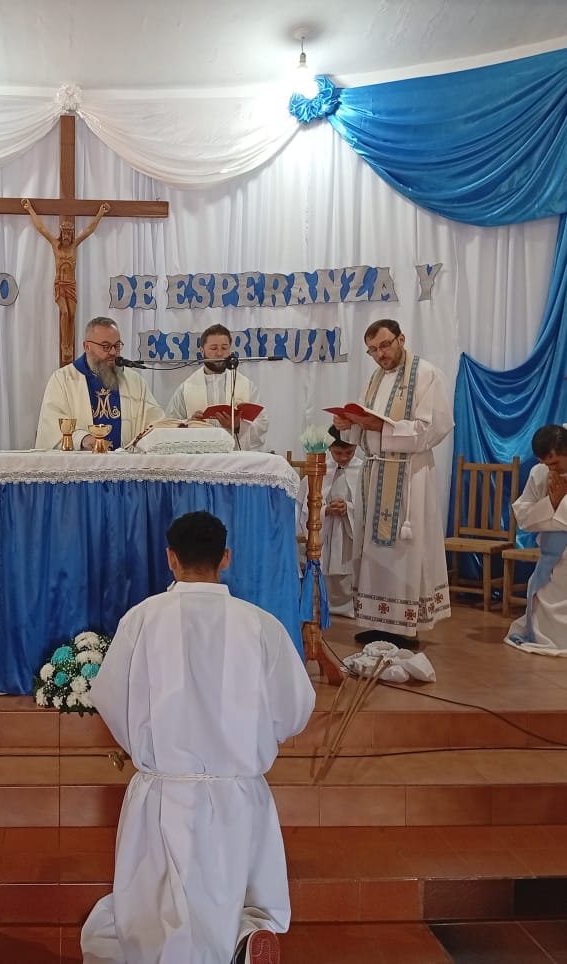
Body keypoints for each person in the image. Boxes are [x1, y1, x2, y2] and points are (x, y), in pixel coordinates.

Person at [80, 511, 315, 964]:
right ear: (225, 558)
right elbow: (295, 710)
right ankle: (247, 938)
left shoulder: (143, 619)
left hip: (165, 790)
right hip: (239, 790)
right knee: (241, 890)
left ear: (170, 558)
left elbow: (110, 697)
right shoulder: (261, 624)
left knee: (156, 910)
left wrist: (145, 747)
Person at [332, 319, 453, 646]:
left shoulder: (425, 374)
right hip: (376, 472)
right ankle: (378, 620)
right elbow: (362, 433)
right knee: (373, 552)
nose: (380, 354)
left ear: (401, 338)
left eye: (385, 345)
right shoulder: (374, 380)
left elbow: (434, 428)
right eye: (372, 350)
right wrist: (347, 425)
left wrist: (383, 427)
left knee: (405, 551)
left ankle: (404, 626)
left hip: (409, 476)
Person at [35, 316, 164, 450]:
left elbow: (155, 424)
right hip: (81, 467)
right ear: (87, 347)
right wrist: (83, 439)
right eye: (106, 346)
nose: (113, 352)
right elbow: (51, 429)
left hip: (126, 467)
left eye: (117, 345)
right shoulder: (63, 380)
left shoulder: (135, 382)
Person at [21, 198, 111, 363]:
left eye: (70, 234)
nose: (68, 236)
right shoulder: (56, 245)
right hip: (60, 285)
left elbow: (89, 230)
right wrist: (30, 209)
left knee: (72, 314)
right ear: (62, 234)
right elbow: (41, 228)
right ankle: (65, 345)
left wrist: (100, 213)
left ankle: (69, 342)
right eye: (66, 233)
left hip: (71, 285)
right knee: (64, 312)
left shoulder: (74, 245)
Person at [504, 424, 567, 656]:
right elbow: (523, 516)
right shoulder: (540, 473)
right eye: (545, 464)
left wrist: (560, 504)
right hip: (550, 555)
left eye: (555, 463)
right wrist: (551, 503)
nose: (550, 470)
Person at [165, 323, 268, 450]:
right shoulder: (186, 389)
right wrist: (189, 425)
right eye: (213, 348)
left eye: (224, 348)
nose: (219, 353)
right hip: (199, 461)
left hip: (236, 462)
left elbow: (262, 424)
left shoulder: (246, 385)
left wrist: (238, 426)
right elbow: (169, 426)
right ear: (202, 350)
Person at [296, 426, 363, 617]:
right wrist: (324, 510)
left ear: (356, 447)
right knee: (326, 565)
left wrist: (349, 508)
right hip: (327, 529)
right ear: (329, 448)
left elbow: (370, 507)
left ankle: (352, 606)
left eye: (348, 452)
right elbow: (305, 507)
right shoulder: (320, 468)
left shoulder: (363, 470)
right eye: (338, 453)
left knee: (348, 566)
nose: (343, 458)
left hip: (349, 531)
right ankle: (324, 602)